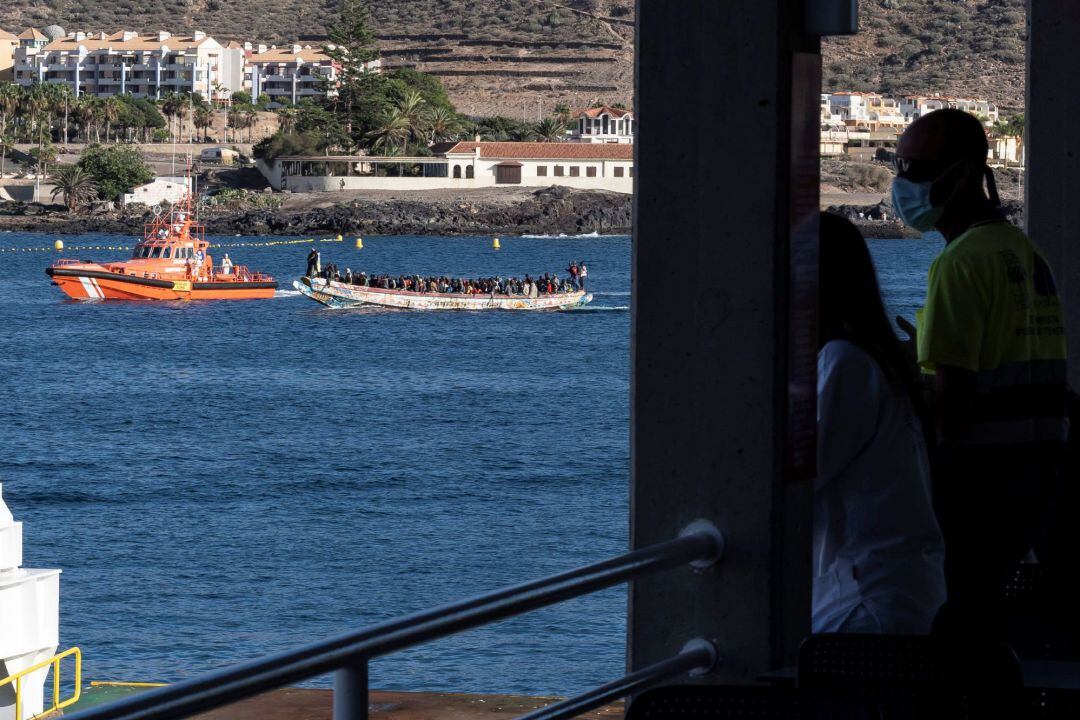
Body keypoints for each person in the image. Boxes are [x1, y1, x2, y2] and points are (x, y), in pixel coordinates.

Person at [894, 109, 1068, 638]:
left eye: (915, 168)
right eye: (899, 164)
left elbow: (955, 399)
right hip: (1038, 477)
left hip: (979, 482)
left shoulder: (960, 263)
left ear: (964, 175)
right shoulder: (1023, 251)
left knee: (958, 624)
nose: (903, 181)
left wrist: (906, 379)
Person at [814, 212, 946, 635]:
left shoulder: (844, 362)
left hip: (865, 604)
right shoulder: (872, 358)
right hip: (893, 593)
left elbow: (801, 473)